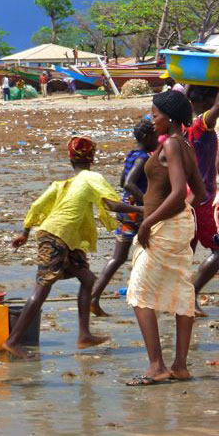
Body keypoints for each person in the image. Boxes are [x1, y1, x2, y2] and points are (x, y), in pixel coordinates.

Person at [4, 136, 134, 359]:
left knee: (88, 279)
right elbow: (112, 204)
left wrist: (25, 232)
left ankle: (84, 335)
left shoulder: (62, 184)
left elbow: (37, 205)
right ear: (92, 158)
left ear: (70, 159)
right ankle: (13, 340)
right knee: (42, 287)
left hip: (64, 239)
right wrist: (143, 210)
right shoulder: (91, 177)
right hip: (56, 236)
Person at [126, 91, 205, 384]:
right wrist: (182, 212)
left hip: (164, 228)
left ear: (169, 117)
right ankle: (180, 366)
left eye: (155, 114)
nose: (152, 119)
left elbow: (176, 192)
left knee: (138, 291)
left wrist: (149, 222)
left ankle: (157, 365)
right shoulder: (185, 145)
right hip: (177, 226)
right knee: (181, 290)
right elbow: (199, 192)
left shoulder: (172, 144)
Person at [91, 119, 158, 317]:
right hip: (137, 212)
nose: (158, 139)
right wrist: (146, 202)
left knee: (118, 257)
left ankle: (94, 297)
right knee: (153, 253)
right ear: (146, 137)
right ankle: (150, 299)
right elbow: (129, 183)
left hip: (125, 210)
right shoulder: (143, 157)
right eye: (155, 136)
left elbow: (122, 181)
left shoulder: (132, 154)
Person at [183, 86, 219, 316]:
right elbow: (216, 108)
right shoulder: (199, 125)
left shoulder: (182, 125)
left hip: (188, 197)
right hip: (202, 200)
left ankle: (183, 300)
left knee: (187, 252)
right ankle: (191, 294)